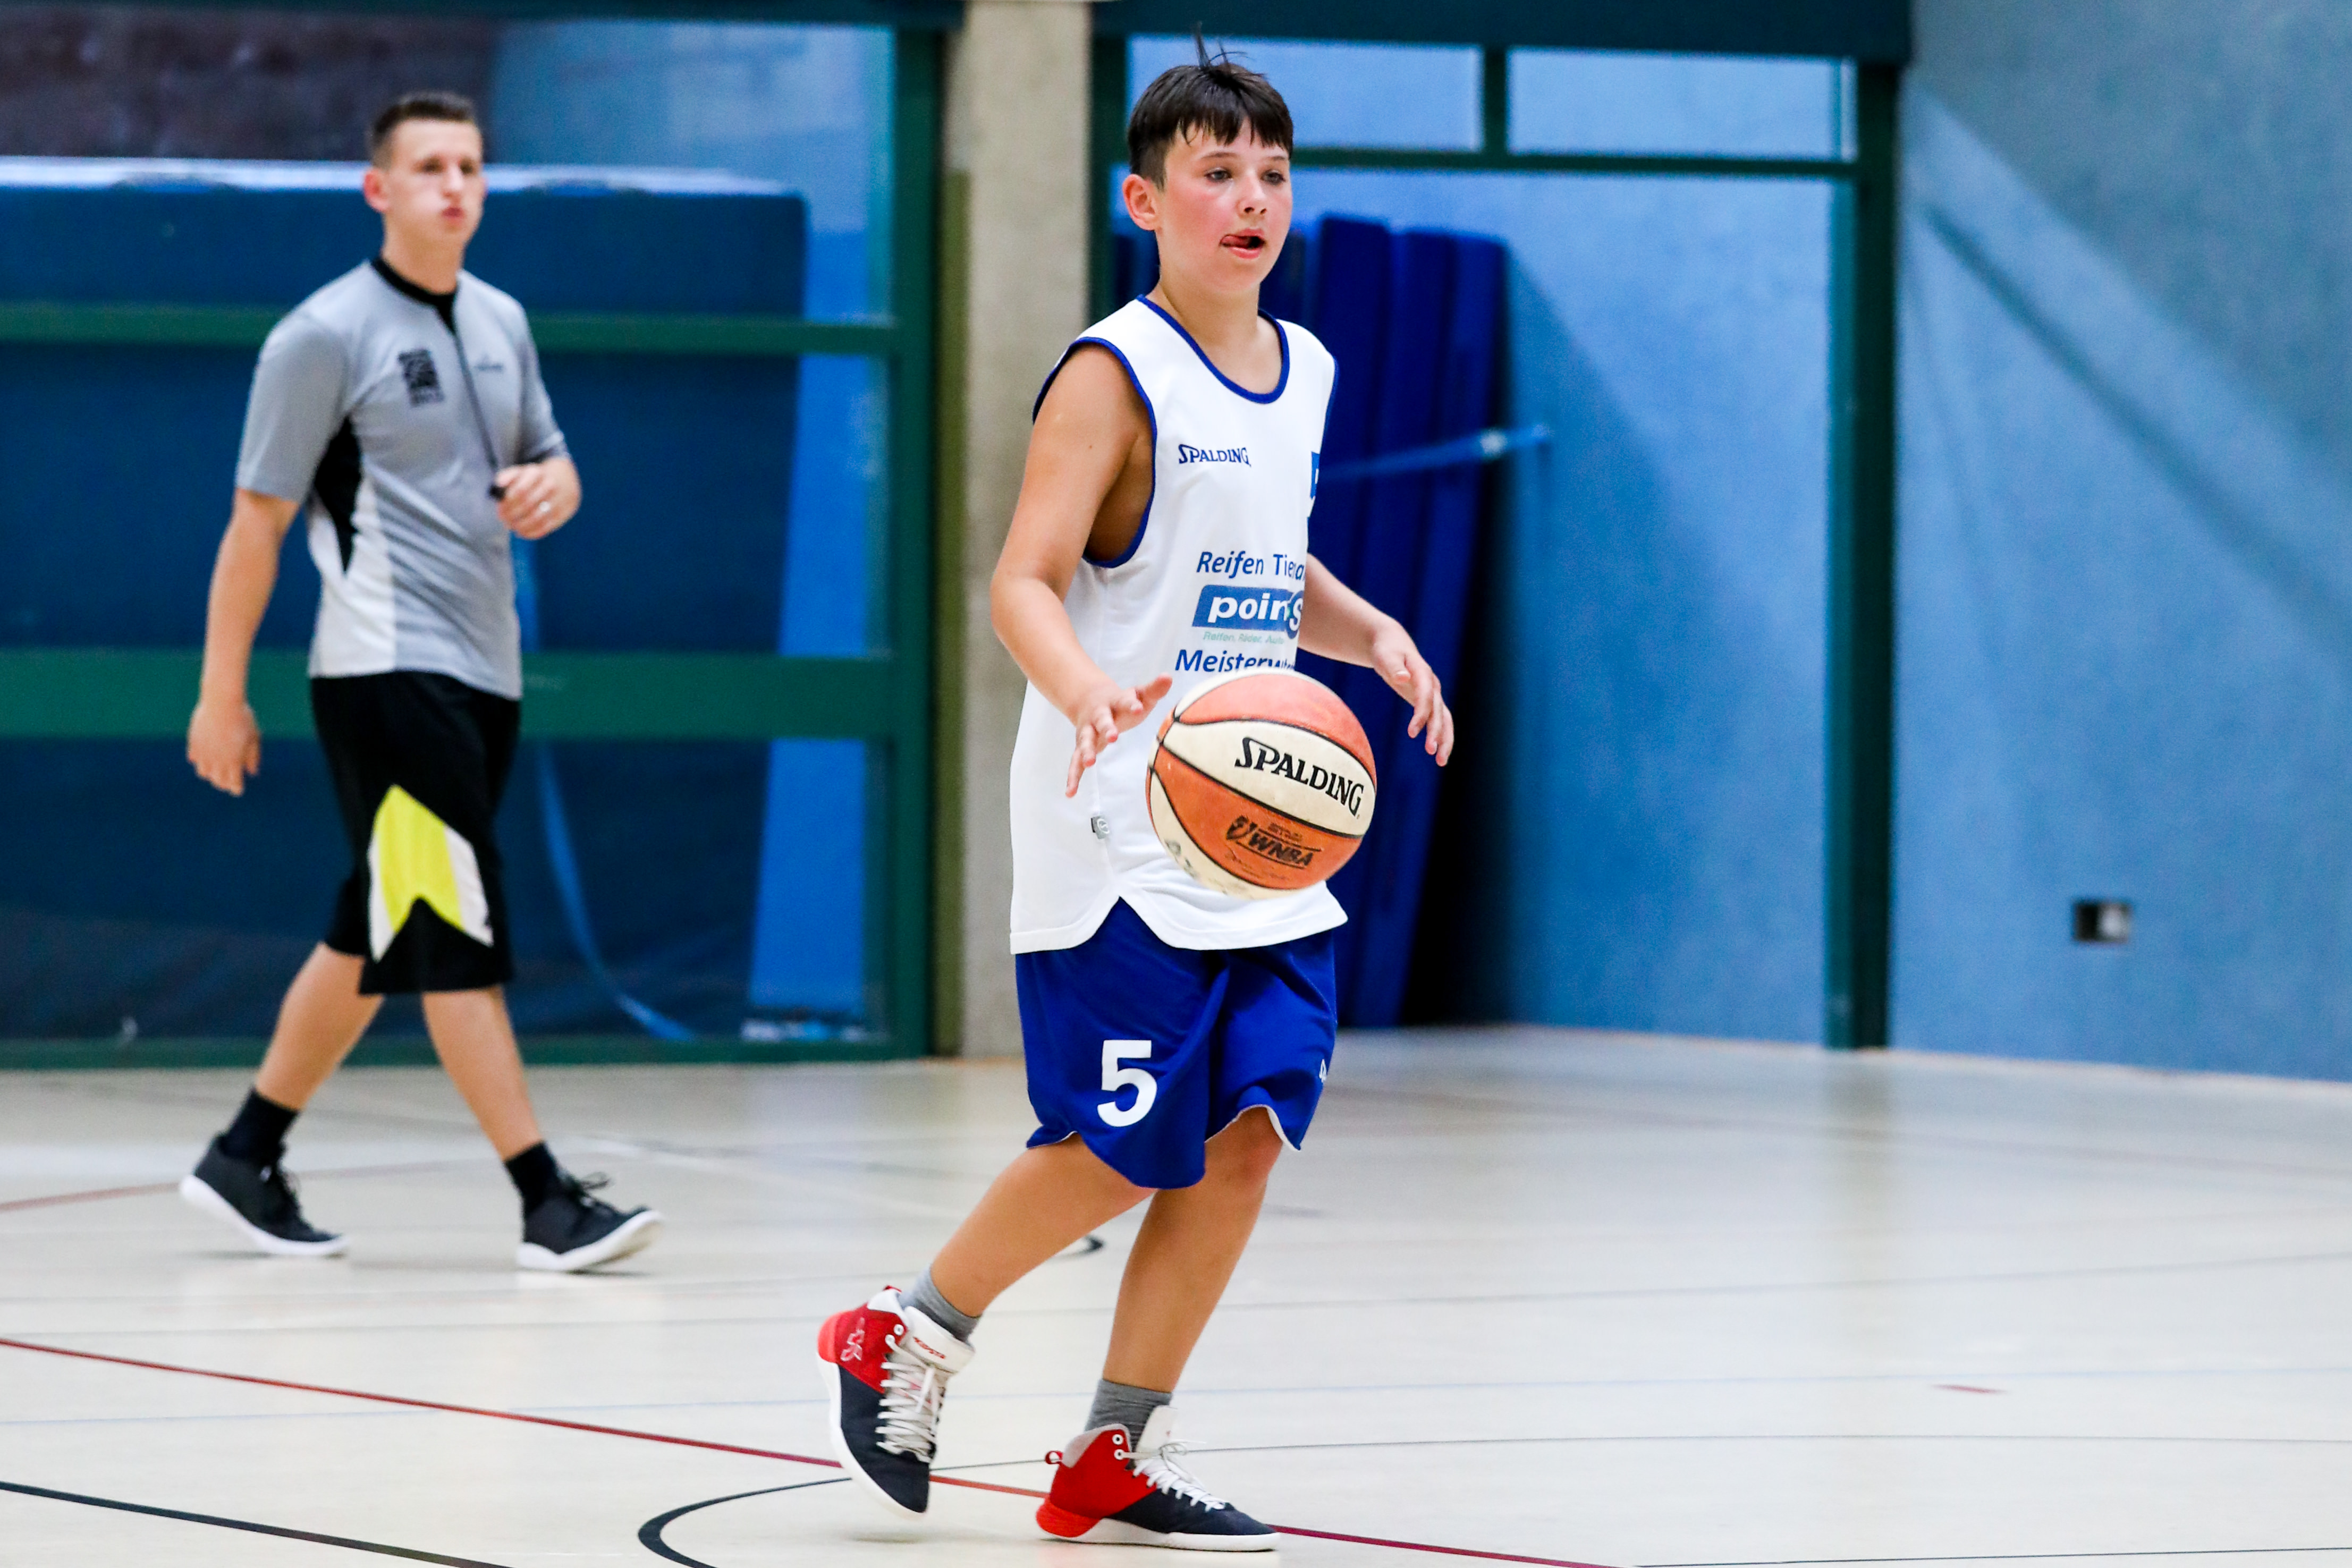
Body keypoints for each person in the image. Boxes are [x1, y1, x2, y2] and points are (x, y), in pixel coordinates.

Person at [815, 50, 1453, 1548]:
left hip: (1257, 826)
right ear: (1143, 200)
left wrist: (1368, 631)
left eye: (1271, 174)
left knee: (1248, 1137)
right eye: (1216, 173)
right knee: (1119, 1140)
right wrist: (1086, 688)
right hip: (1114, 821)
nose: (1250, 199)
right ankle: (906, 1329)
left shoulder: (1307, 371)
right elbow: (1023, 580)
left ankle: (1114, 1449)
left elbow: (1257, 561)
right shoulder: (1111, 374)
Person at [177, 91, 661, 1274]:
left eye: (471, 167)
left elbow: (548, 458)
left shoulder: (501, 319)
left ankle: (245, 1156)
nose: (455, 186)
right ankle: (545, 1203)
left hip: (485, 672)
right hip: (386, 676)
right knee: (450, 930)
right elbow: (255, 523)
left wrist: (559, 487)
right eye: (431, 167)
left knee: (373, 926)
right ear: (377, 189)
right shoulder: (321, 336)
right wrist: (220, 693)